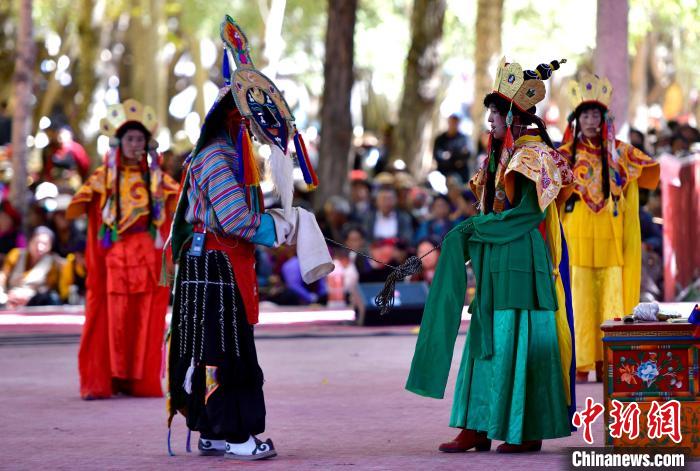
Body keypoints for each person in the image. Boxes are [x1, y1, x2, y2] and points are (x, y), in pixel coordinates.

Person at [166, 15, 330, 461]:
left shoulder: (223, 155)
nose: (255, 132)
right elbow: (235, 219)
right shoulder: (216, 157)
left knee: (213, 349)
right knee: (228, 351)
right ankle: (236, 435)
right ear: (234, 117)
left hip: (212, 264)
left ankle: (213, 431)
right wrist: (282, 227)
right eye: (249, 122)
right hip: (217, 266)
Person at [406, 58, 575, 453]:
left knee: (515, 338)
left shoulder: (532, 156)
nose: (490, 121)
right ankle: (476, 426)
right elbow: (489, 209)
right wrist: (471, 229)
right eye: (491, 114)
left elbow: (529, 214)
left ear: (514, 116)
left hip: (521, 257)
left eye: (496, 113)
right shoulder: (499, 156)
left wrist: (476, 229)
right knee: (485, 338)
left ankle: (524, 430)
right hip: (495, 256)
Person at [66, 99, 179, 399]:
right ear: (118, 142)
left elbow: (179, 205)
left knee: (144, 319)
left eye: (140, 139)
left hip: (147, 257)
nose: (135, 144)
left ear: (148, 143)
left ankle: (138, 381)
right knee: (111, 317)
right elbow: (79, 209)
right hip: (115, 258)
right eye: (130, 139)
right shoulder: (103, 177)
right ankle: (107, 379)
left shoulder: (158, 178)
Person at [559, 74, 660, 383]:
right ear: (577, 120)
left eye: (596, 115)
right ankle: (580, 362)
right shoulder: (564, 154)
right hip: (577, 233)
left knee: (611, 298)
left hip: (611, 234)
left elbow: (650, 169)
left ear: (605, 119)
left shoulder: (619, 152)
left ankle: (608, 360)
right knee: (579, 298)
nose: (591, 121)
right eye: (585, 115)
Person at [0, 226, 62, 308]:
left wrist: (28, 297)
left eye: (45, 244)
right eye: (37, 242)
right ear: (30, 241)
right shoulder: (16, 254)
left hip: (34, 303)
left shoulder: (52, 263)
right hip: (9, 299)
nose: (40, 248)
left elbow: (48, 288)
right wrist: (4, 295)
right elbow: (3, 276)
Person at [433, 114, 471, 181]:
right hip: (443, 172)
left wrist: (450, 156)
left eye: (455, 123)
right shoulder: (440, 139)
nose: (453, 125)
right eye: (452, 122)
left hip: (460, 174)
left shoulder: (464, 139)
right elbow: (437, 155)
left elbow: (468, 153)